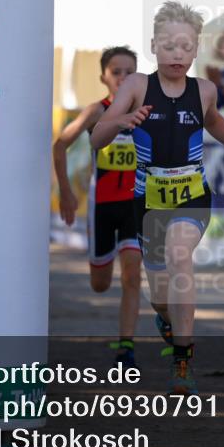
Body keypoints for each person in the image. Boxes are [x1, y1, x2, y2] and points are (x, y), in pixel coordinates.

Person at [91, 1, 224, 394]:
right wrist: (120, 120)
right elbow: (96, 137)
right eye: (169, 45)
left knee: (179, 255)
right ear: (154, 46)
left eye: (185, 46)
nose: (177, 53)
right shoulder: (136, 85)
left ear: (195, 50)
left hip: (193, 195)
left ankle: (183, 362)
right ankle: (167, 321)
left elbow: (216, 123)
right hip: (149, 201)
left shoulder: (205, 90)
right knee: (160, 297)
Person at [53, 46, 143, 368]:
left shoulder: (148, 110)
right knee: (100, 284)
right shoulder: (96, 111)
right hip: (102, 207)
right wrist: (66, 191)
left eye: (129, 71)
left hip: (135, 206)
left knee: (132, 274)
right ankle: (124, 342)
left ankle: (126, 349)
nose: (122, 78)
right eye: (116, 72)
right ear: (103, 77)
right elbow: (60, 144)